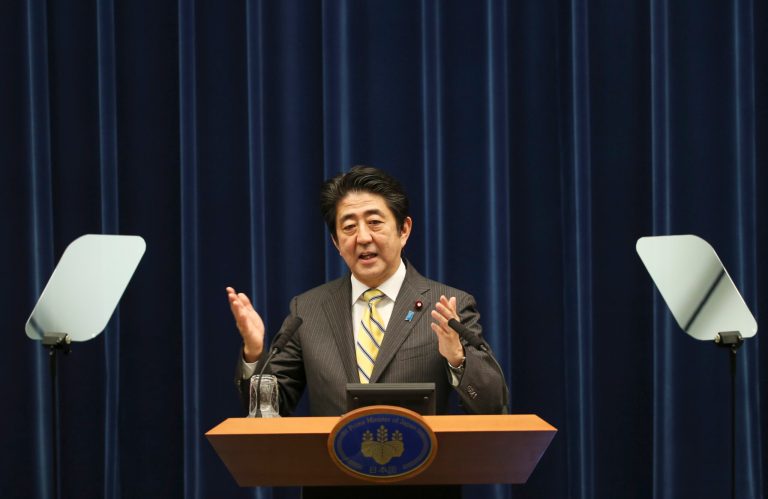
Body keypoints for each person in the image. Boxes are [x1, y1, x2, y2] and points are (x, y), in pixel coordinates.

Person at [226, 166, 506, 498]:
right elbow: (269, 411)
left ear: (404, 230)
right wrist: (255, 352)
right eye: (348, 227)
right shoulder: (308, 309)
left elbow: (492, 406)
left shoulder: (448, 305)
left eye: (374, 222)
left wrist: (457, 359)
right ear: (335, 241)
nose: (362, 237)